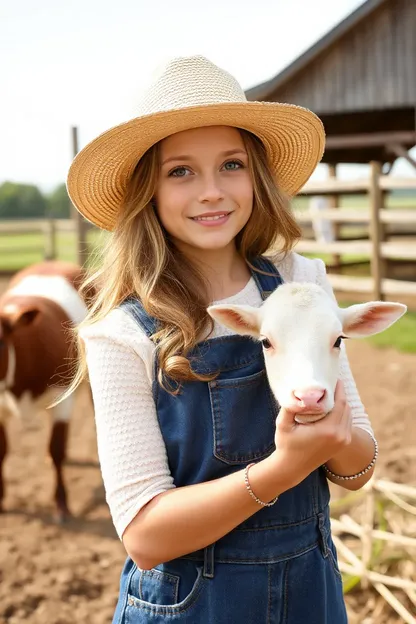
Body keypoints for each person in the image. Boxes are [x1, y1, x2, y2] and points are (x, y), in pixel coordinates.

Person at [67, 55, 377, 624]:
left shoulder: (300, 282)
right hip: (191, 608)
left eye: (230, 164)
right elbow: (145, 535)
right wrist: (283, 469)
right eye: (180, 171)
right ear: (148, 192)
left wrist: (336, 435)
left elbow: (359, 468)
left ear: (256, 174)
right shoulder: (121, 333)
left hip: (311, 592)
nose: (211, 191)